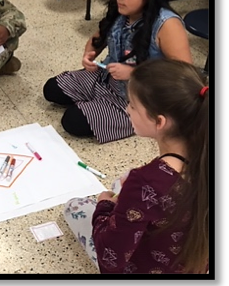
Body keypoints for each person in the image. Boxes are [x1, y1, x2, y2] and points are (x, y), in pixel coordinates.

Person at [63, 58, 209, 274]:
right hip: (192, 259)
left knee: (75, 206)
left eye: (132, 104)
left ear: (159, 122)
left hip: (148, 265)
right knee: (120, 182)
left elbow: (110, 259)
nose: (127, 109)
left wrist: (104, 206)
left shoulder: (146, 181)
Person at [43, 0, 192, 144]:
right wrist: (89, 55)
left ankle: (108, 111)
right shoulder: (121, 9)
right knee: (51, 89)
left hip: (139, 99)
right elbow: (98, 38)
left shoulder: (167, 24)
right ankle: (97, 103)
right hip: (106, 79)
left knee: (72, 121)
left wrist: (134, 72)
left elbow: (184, 75)